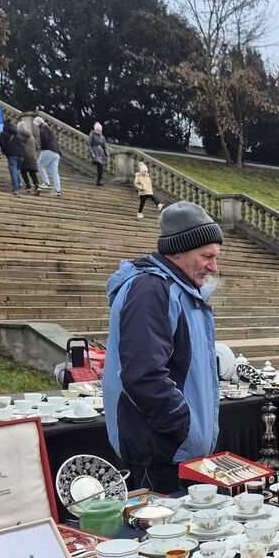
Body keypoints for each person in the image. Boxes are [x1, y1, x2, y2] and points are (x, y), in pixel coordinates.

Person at [102, 201, 222, 493]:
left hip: (179, 450)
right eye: (206, 256)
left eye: (216, 257)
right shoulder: (150, 291)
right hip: (161, 453)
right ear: (178, 251)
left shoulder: (182, 290)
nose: (214, 267)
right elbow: (143, 375)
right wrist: (183, 426)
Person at [34, 117, 62, 196]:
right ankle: (58, 190)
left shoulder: (43, 127)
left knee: (39, 164)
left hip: (48, 150)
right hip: (56, 152)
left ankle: (46, 183)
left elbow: (44, 139)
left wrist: (41, 147)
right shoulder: (49, 128)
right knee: (54, 172)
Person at [0, 122, 25, 195]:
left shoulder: (3, 133)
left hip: (12, 155)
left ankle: (15, 188)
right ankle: (19, 183)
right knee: (17, 169)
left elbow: (2, 143)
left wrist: (5, 152)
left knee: (13, 171)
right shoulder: (17, 134)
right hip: (21, 155)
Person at [17, 120, 41, 194]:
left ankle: (28, 186)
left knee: (23, 171)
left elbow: (18, 144)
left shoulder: (20, 135)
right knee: (32, 172)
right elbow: (37, 147)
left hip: (25, 156)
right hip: (33, 157)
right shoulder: (31, 136)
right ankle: (37, 186)